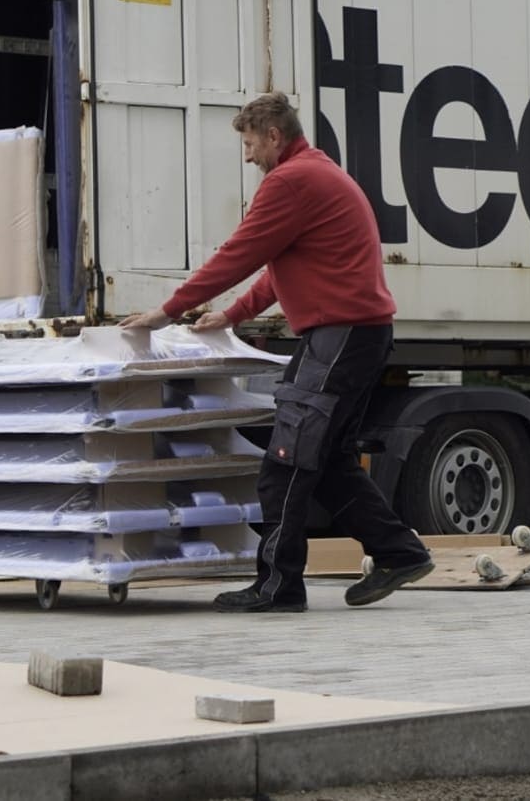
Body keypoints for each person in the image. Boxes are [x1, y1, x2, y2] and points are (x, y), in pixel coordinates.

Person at [121, 92, 433, 613]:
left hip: (341, 335)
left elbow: (240, 253)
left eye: (248, 144)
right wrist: (232, 315)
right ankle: (400, 553)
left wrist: (167, 312)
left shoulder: (289, 181)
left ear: (272, 136)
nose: (246, 156)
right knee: (328, 461)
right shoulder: (316, 172)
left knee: (285, 464)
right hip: (357, 334)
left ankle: (278, 586)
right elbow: (279, 266)